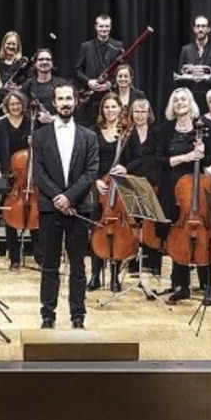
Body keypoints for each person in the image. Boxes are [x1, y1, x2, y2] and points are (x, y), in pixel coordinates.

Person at [33, 83, 98, 329]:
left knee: (78, 266)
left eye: (69, 98)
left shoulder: (88, 136)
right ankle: (48, 315)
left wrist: (69, 197)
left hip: (78, 208)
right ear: (54, 103)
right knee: (49, 265)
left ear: (75, 101)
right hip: (50, 208)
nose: (65, 103)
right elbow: (38, 172)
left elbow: (91, 173)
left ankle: (77, 315)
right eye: (61, 99)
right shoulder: (40, 136)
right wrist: (58, 198)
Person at [156, 88, 211, 303]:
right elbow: (160, 160)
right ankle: (181, 285)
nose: (180, 103)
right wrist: (186, 156)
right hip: (172, 188)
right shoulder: (165, 129)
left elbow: (207, 161)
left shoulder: (203, 127)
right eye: (176, 100)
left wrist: (202, 151)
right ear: (172, 104)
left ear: (191, 102)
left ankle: (207, 285)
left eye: (184, 99)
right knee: (177, 233)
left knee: (202, 233)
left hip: (196, 188)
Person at [87, 93, 129, 293]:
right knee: (98, 230)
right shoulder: (94, 132)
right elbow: (88, 160)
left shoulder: (127, 131)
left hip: (119, 187)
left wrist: (125, 168)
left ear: (120, 108)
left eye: (114, 107)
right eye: (107, 107)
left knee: (118, 232)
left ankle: (114, 277)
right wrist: (95, 180)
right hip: (100, 187)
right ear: (102, 110)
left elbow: (138, 157)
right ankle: (95, 274)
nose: (110, 110)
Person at [0, 90, 32, 270]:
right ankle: (14, 258)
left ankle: (38, 254)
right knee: (9, 216)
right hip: (9, 174)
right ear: (7, 106)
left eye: (18, 104)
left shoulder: (31, 122)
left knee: (34, 212)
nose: (15, 107)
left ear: (22, 105)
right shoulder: (0, 125)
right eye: (12, 104)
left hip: (30, 174)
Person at [124, 97, 162, 274]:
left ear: (149, 114)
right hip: (132, 181)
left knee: (151, 223)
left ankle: (153, 263)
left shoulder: (156, 132)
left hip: (152, 182)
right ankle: (133, 262)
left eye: (143, 112)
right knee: (134, 222)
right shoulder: (127, 132)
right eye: (136, 112)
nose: (139, 115)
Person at [73, 14, 123, 125]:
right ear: (96, 27)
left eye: (106, 26)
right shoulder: (86, 46)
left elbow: (123, 72)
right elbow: (77, 70)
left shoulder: (118, 46)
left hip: (110, 95)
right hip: (90, 98)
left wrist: (111, 84)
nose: (104, 29)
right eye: (101, 26)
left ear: (110, 27)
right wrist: (88, 81)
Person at [176, 15, 211, 100]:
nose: (200, 29)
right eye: (198, 26)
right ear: (194, 29)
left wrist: (204, 78)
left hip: (210, 97)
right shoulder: (186, 50)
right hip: (190, 96)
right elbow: (180, 75)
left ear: (208, 29)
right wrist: (192, 78)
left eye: (203, 26)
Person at [20, 48, 67, 126]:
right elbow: (20, 108)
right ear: (35, 63)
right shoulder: (28, 86)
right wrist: (37, 115)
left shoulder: (62, 84)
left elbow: (70, 105)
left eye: (48, 59)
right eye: (41, 59)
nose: (44, 62)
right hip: (35, 129)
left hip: (58, 127)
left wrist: (57, 117)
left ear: (52, 63)